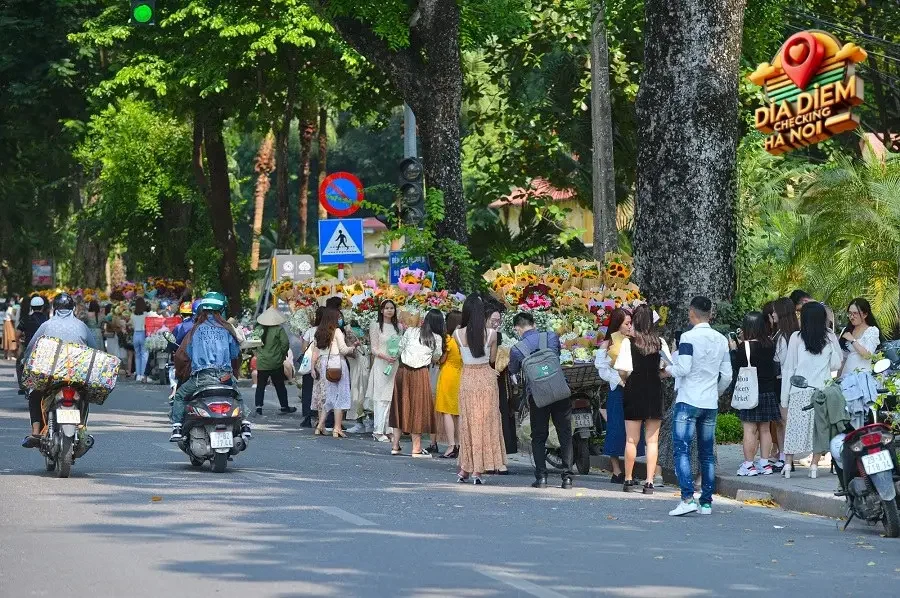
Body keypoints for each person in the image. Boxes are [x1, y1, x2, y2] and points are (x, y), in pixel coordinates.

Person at [666, 296, 732, 517]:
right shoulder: (721, 340)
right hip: (709, 402)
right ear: (710, 314)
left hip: (688, 399)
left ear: (691, 313)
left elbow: (683, 368)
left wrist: (668, 369)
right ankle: (706, 502)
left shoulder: (688, 337)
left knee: (682, 449)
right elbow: (727, 375)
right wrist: (716, 392)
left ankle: (687, 498)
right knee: (706, 453)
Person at [21, 293, 100, 448]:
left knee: (34, 394)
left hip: (50, 374)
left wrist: (25, 359)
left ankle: (36, 431)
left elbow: (31, 347)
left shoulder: (47, 325)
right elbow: (94, 349)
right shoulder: (81, 326)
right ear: (73, 309)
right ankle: (81, 428)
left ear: (54, 309)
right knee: (84, 397)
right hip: (76, 375)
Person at [169, 292, 250, 442]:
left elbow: (186, 354)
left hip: (202, 378)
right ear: (221, 310)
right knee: (237, 396)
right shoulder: (227, 329)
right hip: (225, 378)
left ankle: (177, 427)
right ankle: (245, 424)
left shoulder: (195, 330)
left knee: (180, 396)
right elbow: (234, 354)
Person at [508, 311, 571, 489]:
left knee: (538, 436)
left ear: (517, 329)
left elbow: (513, 370)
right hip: (560, 390)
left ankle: (541, 477)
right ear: (534, 324)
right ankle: (567, 478)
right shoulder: (551, 336)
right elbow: (556, 356)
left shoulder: (517, 349)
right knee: (565, 434)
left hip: (537, 395)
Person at [780, 301, 842, 479]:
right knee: (818, 430)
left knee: (793, 429)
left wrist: (784, 398)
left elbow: (789, 368)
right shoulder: (829, 337)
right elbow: (836, 364)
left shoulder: (796, 338)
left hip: (799, 390)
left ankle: (787, 464)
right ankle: (814, 466)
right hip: (820, 392)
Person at [614, 305, 671, 494]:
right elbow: (669, 368)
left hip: (634, 389)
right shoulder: (660, 342)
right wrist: (657, 374)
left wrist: (625, 380)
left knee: (631, 439)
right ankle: (649, 482)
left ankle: (629, 479)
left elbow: (622, 370)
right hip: (654, 390)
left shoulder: (628, 343)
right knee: (652, 441)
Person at [455, 295, 506, 485]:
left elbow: (463, 358)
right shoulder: (492, 334)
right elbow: (492, 359)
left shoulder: (457, 334)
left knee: (468, 424)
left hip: (467, 378)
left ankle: (465, 468)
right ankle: (477, 470)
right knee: (485, 423)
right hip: (485, 378)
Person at [730, 312, 781, 476]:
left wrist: (733, 349)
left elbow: (737, 365)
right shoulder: (770, 344)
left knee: (749, 430)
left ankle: (749, 465)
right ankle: (765, 463)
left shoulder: (744, 347)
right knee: (765, 429)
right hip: (767, 390)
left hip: (750, 392)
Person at [389, 308, 442, 456]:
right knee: (418, 408)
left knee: (400, 406)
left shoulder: (410, 331)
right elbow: (437, 357)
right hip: (420, 373)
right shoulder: (436, 337)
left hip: (403, 371)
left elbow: (399, 349)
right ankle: (416, 448)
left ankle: (395, 445)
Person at [601, 308, 636, 484]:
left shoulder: (633, 341)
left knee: (633, 430)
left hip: (633, 388)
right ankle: (616, 470)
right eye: (626, 323)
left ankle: (630, 469)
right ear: (617, 324)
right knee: (615, 428)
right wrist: (618, 378)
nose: (630, 327)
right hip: (617, 389)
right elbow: (602, 369)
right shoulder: (608, 344)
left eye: (631, 323)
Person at [313, 307, 357, 438]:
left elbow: (316, 350)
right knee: (340, 396)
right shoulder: (337, 331)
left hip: (325, 366)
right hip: (338, 365)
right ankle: (337, 428)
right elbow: (343, 350)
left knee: (330, 396)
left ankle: (320, 425)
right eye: (338, 317)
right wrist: (354, 346)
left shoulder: (319, 331)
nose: (340, 320)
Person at [365, 301, 400, 442]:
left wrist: (396, 355)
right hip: (381, 364)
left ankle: (389, 429)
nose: (389, 311)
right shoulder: (375, 326)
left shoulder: (398, 327)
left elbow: (400, 345)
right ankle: (378, 430)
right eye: (386, 308)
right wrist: (385, 356)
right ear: (381, 310)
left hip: (394, 364)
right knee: (381, 397)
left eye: (392, 308)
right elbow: (373, 348)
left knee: (391, 398)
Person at [254, 307, 296, 415]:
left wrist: (258, 354)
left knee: (260, 386)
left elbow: (252, 344)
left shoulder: (258, 329)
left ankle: (258, 407)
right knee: (280, 385)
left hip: (262, 363)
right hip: (276, 362)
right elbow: (285, 343)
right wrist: (282, 354)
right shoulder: (278, 329)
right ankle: (284, 406)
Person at [487, 306, 516, 460]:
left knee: (502, 414)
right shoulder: (481, 336)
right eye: (493, 320)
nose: (496, 323)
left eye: (498, 321)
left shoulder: (499, 336)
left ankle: (502, 454)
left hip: (500, 380)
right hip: (486, 379)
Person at [435, 310, 463, 459]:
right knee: (458, 413)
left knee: (447, 412)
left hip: (448, 375)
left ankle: (451, 445)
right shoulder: (464, 339)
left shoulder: (447, 339)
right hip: (461, 375)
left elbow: (442, 359)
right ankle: (459, 444)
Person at [424, 308, 447, 453]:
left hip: (433, 373)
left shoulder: (428, 338)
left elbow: (435, 358)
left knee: (433, 410)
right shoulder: (446, 338)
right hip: (444, 373)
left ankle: (433, 442)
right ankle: (451, 442)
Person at [16, 295, 48, 394]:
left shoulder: (25, 319)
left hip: (29, 349)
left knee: (19, 364)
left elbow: (17, 335)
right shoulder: (47, 320)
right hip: (44, 349)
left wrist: (19, 343)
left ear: (31, 307)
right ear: (42, 307)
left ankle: (22, 385)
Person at [839, 298, 879, 376]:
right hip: (846, 375)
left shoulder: (872, 331)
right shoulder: (846, 330)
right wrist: (838, 378)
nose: (852, 317)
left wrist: (852, 340)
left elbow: (867, 355)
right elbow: (843, 358)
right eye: (850, 313)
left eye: (855, 313)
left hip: (862, 376)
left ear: (865, 314)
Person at [299, 307, 323, 428]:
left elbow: (303, 349)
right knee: (322, 391)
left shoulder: (310, 331)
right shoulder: (331, 330)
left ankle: (307, 416)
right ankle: (322, 418)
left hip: (309, 365)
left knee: (308, 390)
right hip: (324, 363)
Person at [131, 297, 149, 382]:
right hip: (143, 334)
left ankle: (138, 375)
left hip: (135, 334)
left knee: (137, 355)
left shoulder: (132, 315)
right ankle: (143, 374)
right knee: (144, 355)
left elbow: (131, 325)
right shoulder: (146, 314)